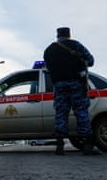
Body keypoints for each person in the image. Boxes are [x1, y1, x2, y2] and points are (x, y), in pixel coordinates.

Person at [43, 27, 101, 156]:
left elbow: (48, 68)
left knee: (61, 114)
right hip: (77, 84)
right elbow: (91, 61)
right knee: (81, 113)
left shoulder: (49, 50)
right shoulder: (76, 45)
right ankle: (87, 146)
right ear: (69, 35)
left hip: (59, 85)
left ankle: (59, 146)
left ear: (57, 36)